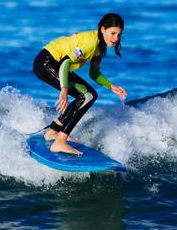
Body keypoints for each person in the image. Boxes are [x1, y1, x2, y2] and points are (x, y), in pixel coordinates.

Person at [33, 13, 128, 155]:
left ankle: (54, 131)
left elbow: (94, 73)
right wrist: (64, 89)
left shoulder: (99, 47)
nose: (115, 38)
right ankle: (60, 142)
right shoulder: (90, 43)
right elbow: (65, 63)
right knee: (86, 96)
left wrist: (111, 86)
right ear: (103, 29)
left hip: (55, 65)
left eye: (118, 35)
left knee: (88, 95)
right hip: (46, 63)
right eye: (112, 33)